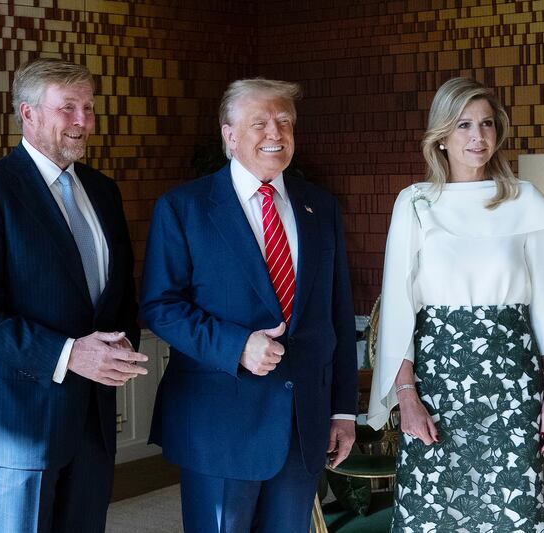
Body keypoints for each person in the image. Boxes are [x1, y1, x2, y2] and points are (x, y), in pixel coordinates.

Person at [140, 78, 358, 532]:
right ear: (229, 134)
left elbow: (336, 315)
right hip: (219, 423)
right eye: (259, 122)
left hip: (303, 426)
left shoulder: (320, 207)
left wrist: (342, 410)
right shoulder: (184, 207)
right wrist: (236, 346)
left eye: (284, 121)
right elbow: (160, 306)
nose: (275, 133)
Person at [0, 57, 147, 533]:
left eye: (89, 108)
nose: (83, 121)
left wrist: (121, 346)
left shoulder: (103, 190)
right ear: (28, 113)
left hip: (94, 418)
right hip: (20, 422)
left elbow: (119, 294)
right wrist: (70, 354)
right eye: (68, 108)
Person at [367, 77, 544, 532]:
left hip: (512, 381)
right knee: (433, 511)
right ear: (441, 134)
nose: (476, 137)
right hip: (438, 382)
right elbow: (402, 312)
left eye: (485, 124)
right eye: (463, 125)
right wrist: (406, 396)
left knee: (514, 511)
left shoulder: (524, 200)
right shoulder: (416, 204)